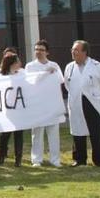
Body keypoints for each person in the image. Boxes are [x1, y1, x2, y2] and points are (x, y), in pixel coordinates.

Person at [65, 40, 100, 167]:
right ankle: (79, 159)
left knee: (95, 132)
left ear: (84, 52)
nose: (73, 52)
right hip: (76, 103)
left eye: (76, 50)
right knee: (77, 131)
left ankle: (99, 160)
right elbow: (67, 84)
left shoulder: (97, 66)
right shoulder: (69, 67)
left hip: (92, 103)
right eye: (72, 49)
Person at [26, 39, 65, 167]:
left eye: (41, 50)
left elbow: (60, 81)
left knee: (53, 133)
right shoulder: (30, 66)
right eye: (36, 49)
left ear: (47, 52)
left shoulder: (54, 65)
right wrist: (44, 74)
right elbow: (29, 83)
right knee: (37, 133)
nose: (38, 52)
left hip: (51, 103)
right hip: (37, 104)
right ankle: (36, 160)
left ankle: (55, 160)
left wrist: (51, 72)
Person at [0, 53, 25, 166]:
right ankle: (2, 156)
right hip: (7, 110)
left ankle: (18, 158)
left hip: (19, 109)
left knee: (19, 134)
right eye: (17, 61)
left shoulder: (22, 74)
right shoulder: (1, 75)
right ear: (12, 63)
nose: (19, 63)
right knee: (5, 135)